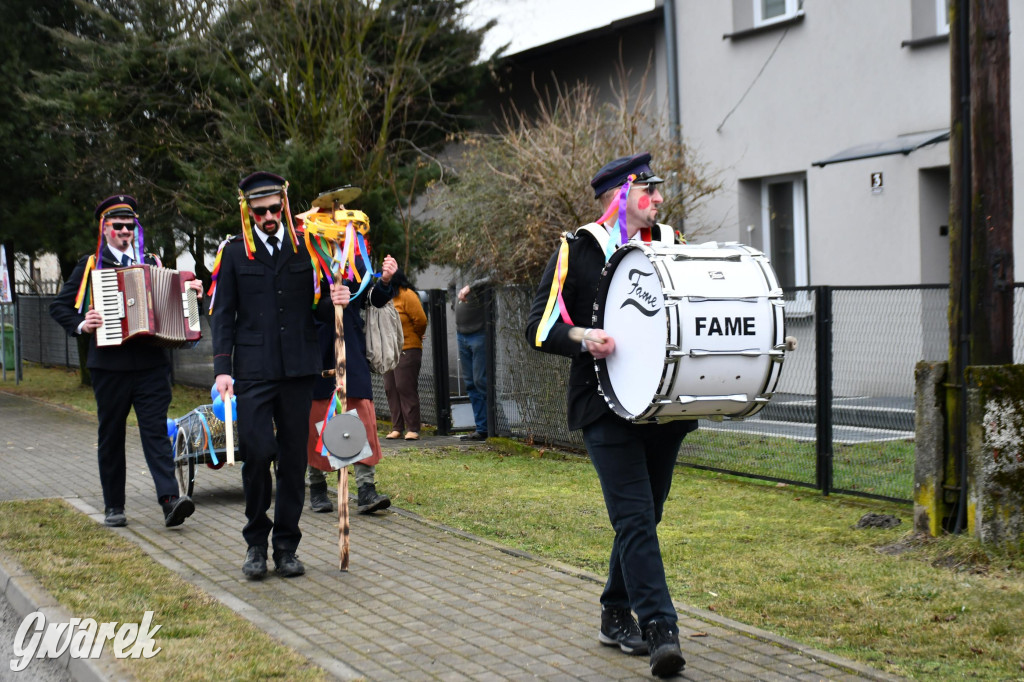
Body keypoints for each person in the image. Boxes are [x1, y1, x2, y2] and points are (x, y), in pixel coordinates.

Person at [524, 153, 695, 678]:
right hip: (602, 405)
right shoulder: (577, 251)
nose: (660, 199)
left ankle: (613, 613)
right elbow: (538, 326)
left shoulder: (673, 246)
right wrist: (581, 337)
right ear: (620, 195)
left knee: (647, 515)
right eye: (650, 190)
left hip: (664, 407)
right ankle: (660, 629)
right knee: (636, 518)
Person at [209, 171, 348, 580]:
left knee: (291, 460)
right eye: (260, 211)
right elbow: (223, 315)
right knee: (258, 454)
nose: (269, 216)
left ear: (284, 206)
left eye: (274, 209)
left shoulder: (309, 247)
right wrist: (222, 369)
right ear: (248, 211)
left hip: (298, 370)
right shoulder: (234, 253)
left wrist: (340, 297)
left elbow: (320, 309)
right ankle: (256, 542)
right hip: (252, 371)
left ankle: (286, 546)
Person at [49, 194, 200, 529]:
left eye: (129, 226)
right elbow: (59, 306)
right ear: (104, 229)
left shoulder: (153, 262)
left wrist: (192, 294)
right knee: (112, 435)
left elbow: (180, 300)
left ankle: (169, 501)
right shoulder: (91, 267)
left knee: (156, 434)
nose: (124, 232)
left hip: (151, 365)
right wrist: (81, 324)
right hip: (109, 367)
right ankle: (114, 505)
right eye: (117, 226)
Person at [302, 206, 397, 516]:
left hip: (351, 351)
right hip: (318, 350)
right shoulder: (308, 262)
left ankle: (366, 488)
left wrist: (384, 280)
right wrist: (329, 300)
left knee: (361, 415)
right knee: (319, 417)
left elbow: (372, 298)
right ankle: (317, 485)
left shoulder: (355, 262)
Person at [383, 269, 427, 441]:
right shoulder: (384, 297)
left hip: (407, 348)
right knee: (390, 388)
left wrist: (416, 335)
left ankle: (413, 428)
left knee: (404, 386)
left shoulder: (407, 295)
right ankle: (397, 427)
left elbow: (421, 320)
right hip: (388, 351)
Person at [451, 275, 492, 441]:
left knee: (481, 380)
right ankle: (482, 428)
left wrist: (471, 287)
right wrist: (454, 303)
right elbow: (451, 284)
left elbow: (493, 277)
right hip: (462, 334)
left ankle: (496, 425)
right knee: (470, 383)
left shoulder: (479, 270)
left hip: (478, 333)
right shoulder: (460, 272)